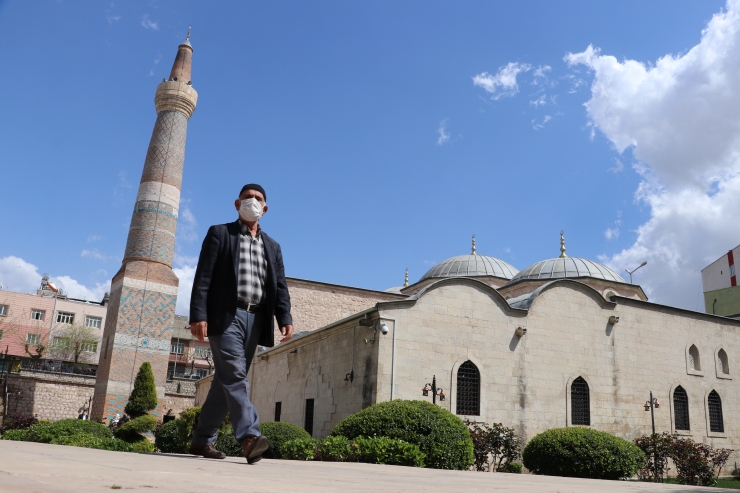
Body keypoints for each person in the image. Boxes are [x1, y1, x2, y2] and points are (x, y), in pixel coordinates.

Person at [188, 183, 293, 464]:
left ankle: (201, 441)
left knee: (225, 383)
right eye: (247, 197)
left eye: (258, 198)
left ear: (265, 208)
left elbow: (279, 286)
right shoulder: (220, 234)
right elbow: (203, 277)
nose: (252, 201)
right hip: (226, 316)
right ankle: (249, 437)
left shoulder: (273, 246)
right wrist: (198, 314)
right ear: (237, 204)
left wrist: (285, 317)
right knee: (236, 375)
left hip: (256, 319)